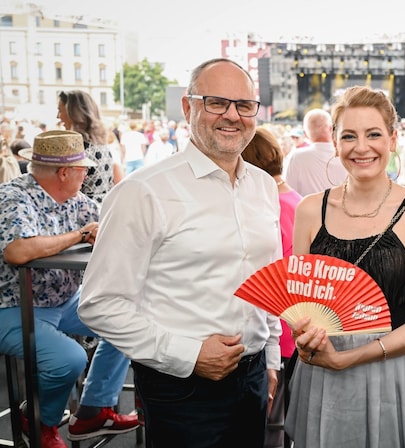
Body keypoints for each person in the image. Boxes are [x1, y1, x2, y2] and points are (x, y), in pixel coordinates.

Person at [78, 58, 283, 447]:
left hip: (254, 378)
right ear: (188, 108)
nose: (232, 116)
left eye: (244, 105)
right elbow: (100, 304)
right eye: (217, 103)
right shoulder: (144, 191)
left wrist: (271, 357)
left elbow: (264, 281)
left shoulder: (262, 186)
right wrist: (188, 354)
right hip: (180, 387)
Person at [285, 85, 405, 448]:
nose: (361, 147)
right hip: (321, 373)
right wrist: (306, 335)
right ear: (335, 143)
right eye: (349, 136)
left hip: (389, 374)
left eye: (373, 134)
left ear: (392, 138)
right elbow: (301, 304)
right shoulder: (311, 210)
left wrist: (350, 358)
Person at [0, 130, 139, 448]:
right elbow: (18, 251)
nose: (88, 173)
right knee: (70, 359)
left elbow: (114, 228)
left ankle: (92, 409)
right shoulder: (13, 195)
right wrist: (79, 235)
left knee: (127, 321)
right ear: (64, 173)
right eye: (82, 168)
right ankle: (38, 421)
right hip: (12, 305)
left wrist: (104, 232)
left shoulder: (78, 201)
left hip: (63, 300)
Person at [241, 126, 302, 448]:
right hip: (298, 327)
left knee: (266, 424)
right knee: (286, 423)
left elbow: (261, 276)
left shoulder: (264, 208)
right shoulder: (299, 202)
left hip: (270, 330)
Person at [57, 90, 124, 203]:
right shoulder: (101, 146)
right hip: (102, 211)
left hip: (82, 215)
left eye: (60, 110)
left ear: (72, 113)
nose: (58, 116)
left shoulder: (75, 150)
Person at [283, 109, 348, 196]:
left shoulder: (297, 157)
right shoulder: (347, 154)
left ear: (305, 134)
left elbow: (290, 192)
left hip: (308, 209)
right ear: (332, 128)